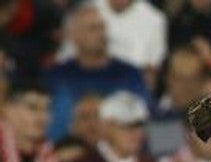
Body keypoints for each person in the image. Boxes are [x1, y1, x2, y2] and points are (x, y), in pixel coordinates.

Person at [44, 4, 150, 141]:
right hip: (67, 150)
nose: (101, 34)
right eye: (92, 29)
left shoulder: (130, 74)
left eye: (102, 27)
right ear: (74, 37)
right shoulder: (57, 76)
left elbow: (143, 119)